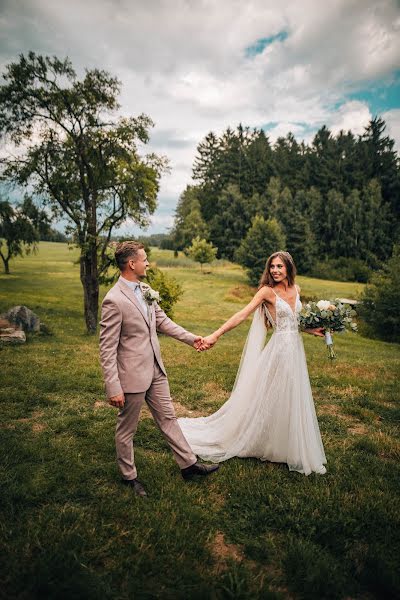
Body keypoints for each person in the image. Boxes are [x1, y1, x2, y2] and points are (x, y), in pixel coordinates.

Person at [179, 251, 327, 475]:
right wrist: (215, 335)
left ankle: (287, 444)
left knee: (291, 394)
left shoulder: (297, 290)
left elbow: (296, 322)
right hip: (279, 351)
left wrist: (313, 329)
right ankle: (262, 439)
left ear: (289, 268)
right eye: (272, 267)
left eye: (279, 267)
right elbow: (242, 314)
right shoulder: (267, 292)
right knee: (272, 394)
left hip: (296, 351)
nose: (275, 271)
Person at [99, 241, 219, 497]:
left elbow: (163, 322)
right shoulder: (114, 300)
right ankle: (129, 477)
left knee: (168, 417)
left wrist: (192, 339)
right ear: (132, 264)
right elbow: (106, 349)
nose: (148, 263)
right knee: (126, 429)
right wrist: (113, 387)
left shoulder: (145, 290)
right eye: (144, 259)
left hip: (155, 370)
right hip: (131, 376)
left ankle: (188, 464)